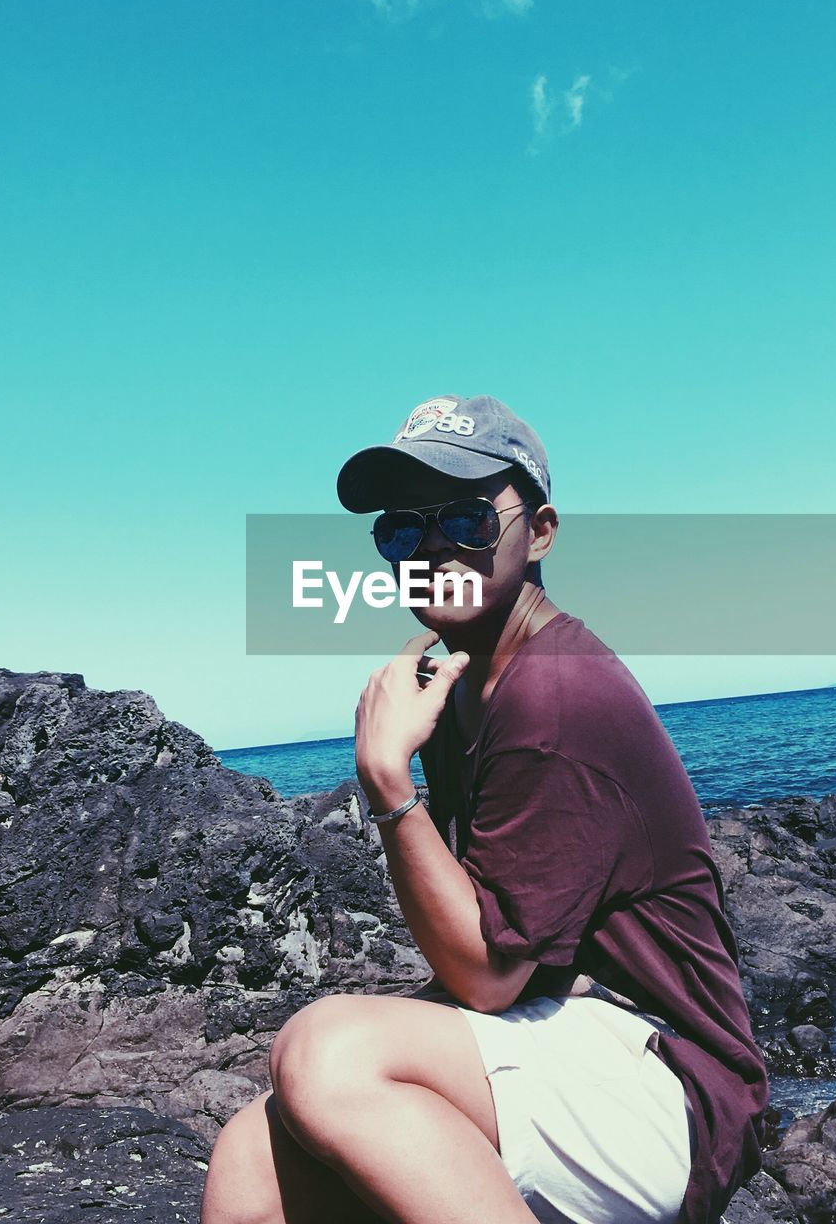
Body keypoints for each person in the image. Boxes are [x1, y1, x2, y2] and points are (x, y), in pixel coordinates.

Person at [201, 394, 769, 1224]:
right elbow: (500, 946)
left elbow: (488, 974)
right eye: (403, 529)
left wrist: (387, 781)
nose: (432, 547)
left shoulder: (555, 695)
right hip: (570, 1034)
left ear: (538, 531)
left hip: (673, 1085)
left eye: (465, 518)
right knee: (254, 1154)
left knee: (328, 1052)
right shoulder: (467, 684)